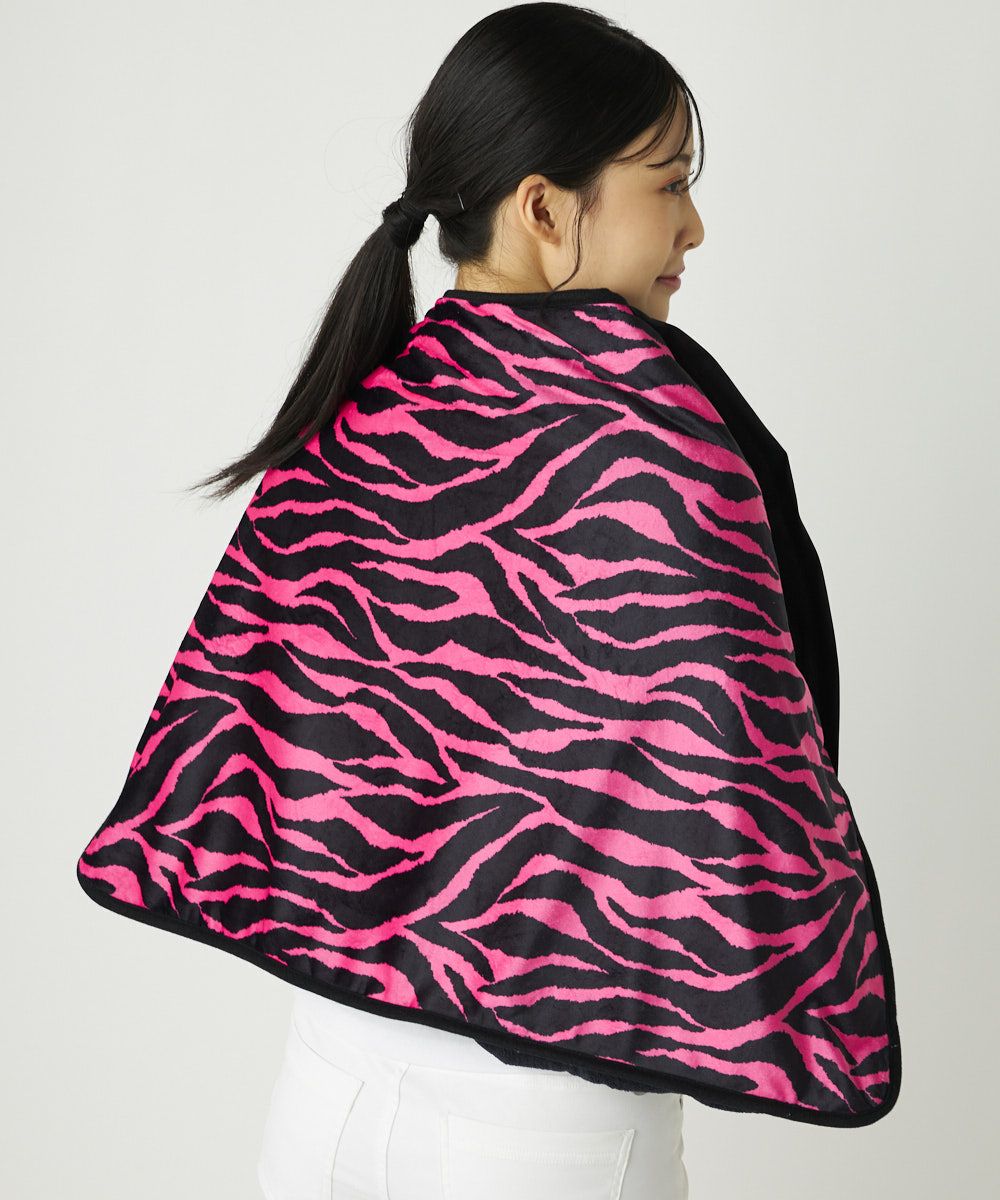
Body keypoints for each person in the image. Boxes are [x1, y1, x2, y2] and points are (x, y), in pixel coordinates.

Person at [245, 5, 703, 1195]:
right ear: (546, 210)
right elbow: (740, 787)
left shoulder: (357, 406)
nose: (694, 227)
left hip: (327, 1087)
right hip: (549, 1122)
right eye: (667, 184)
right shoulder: (656, 439)